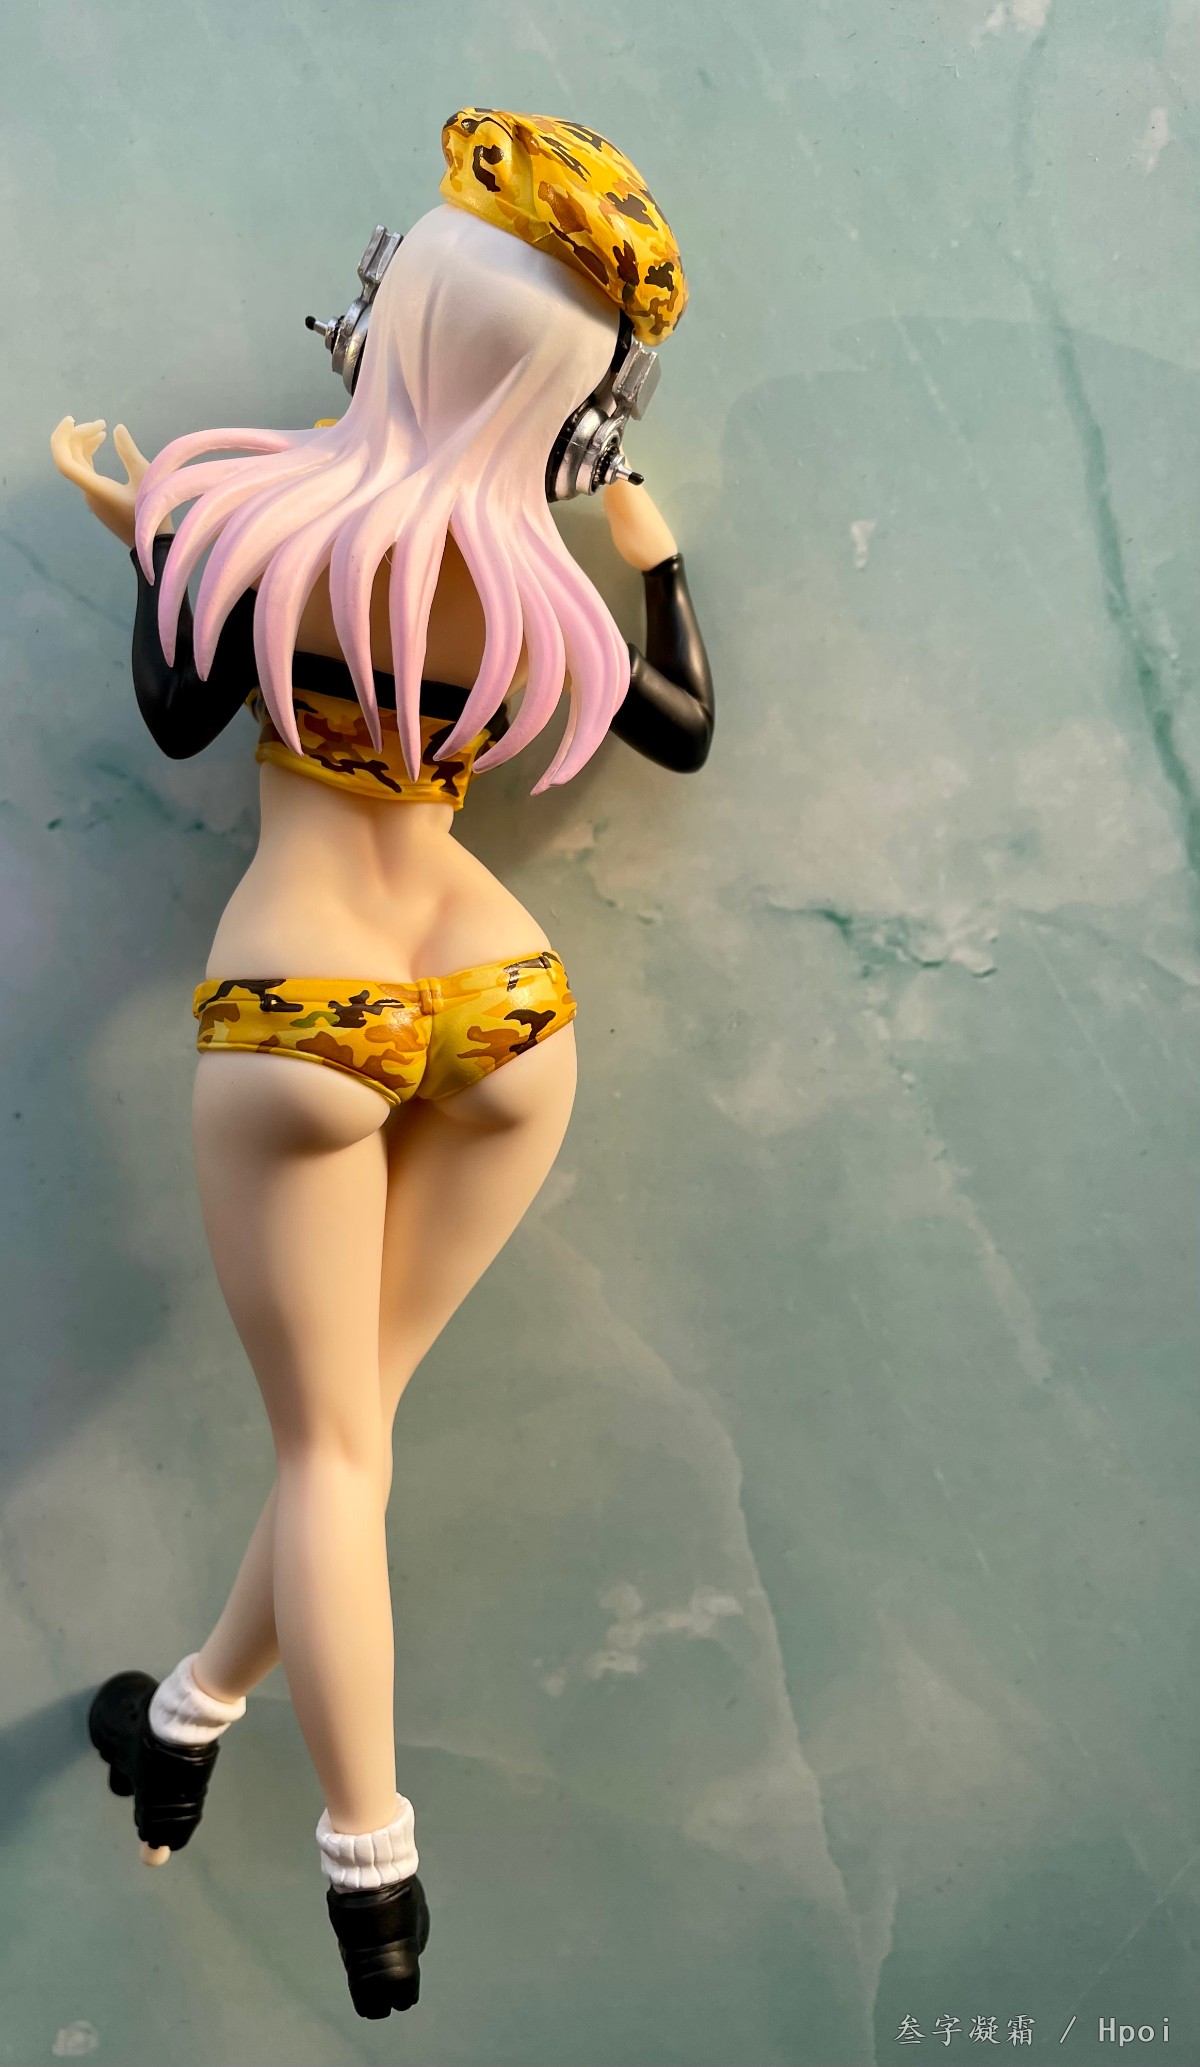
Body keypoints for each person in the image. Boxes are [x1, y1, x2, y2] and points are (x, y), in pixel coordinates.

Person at [50, 108, 713, 2020]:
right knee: (356, 1438)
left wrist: (151, 537)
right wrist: (656, 555)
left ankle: (373, 1869)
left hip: (308, 998)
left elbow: (180, 712)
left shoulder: (254, 522)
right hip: (506, 1002)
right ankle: (185, 1721)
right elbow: (677, 722)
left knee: (332, 1453)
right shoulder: (533, 582)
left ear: (397, 316)